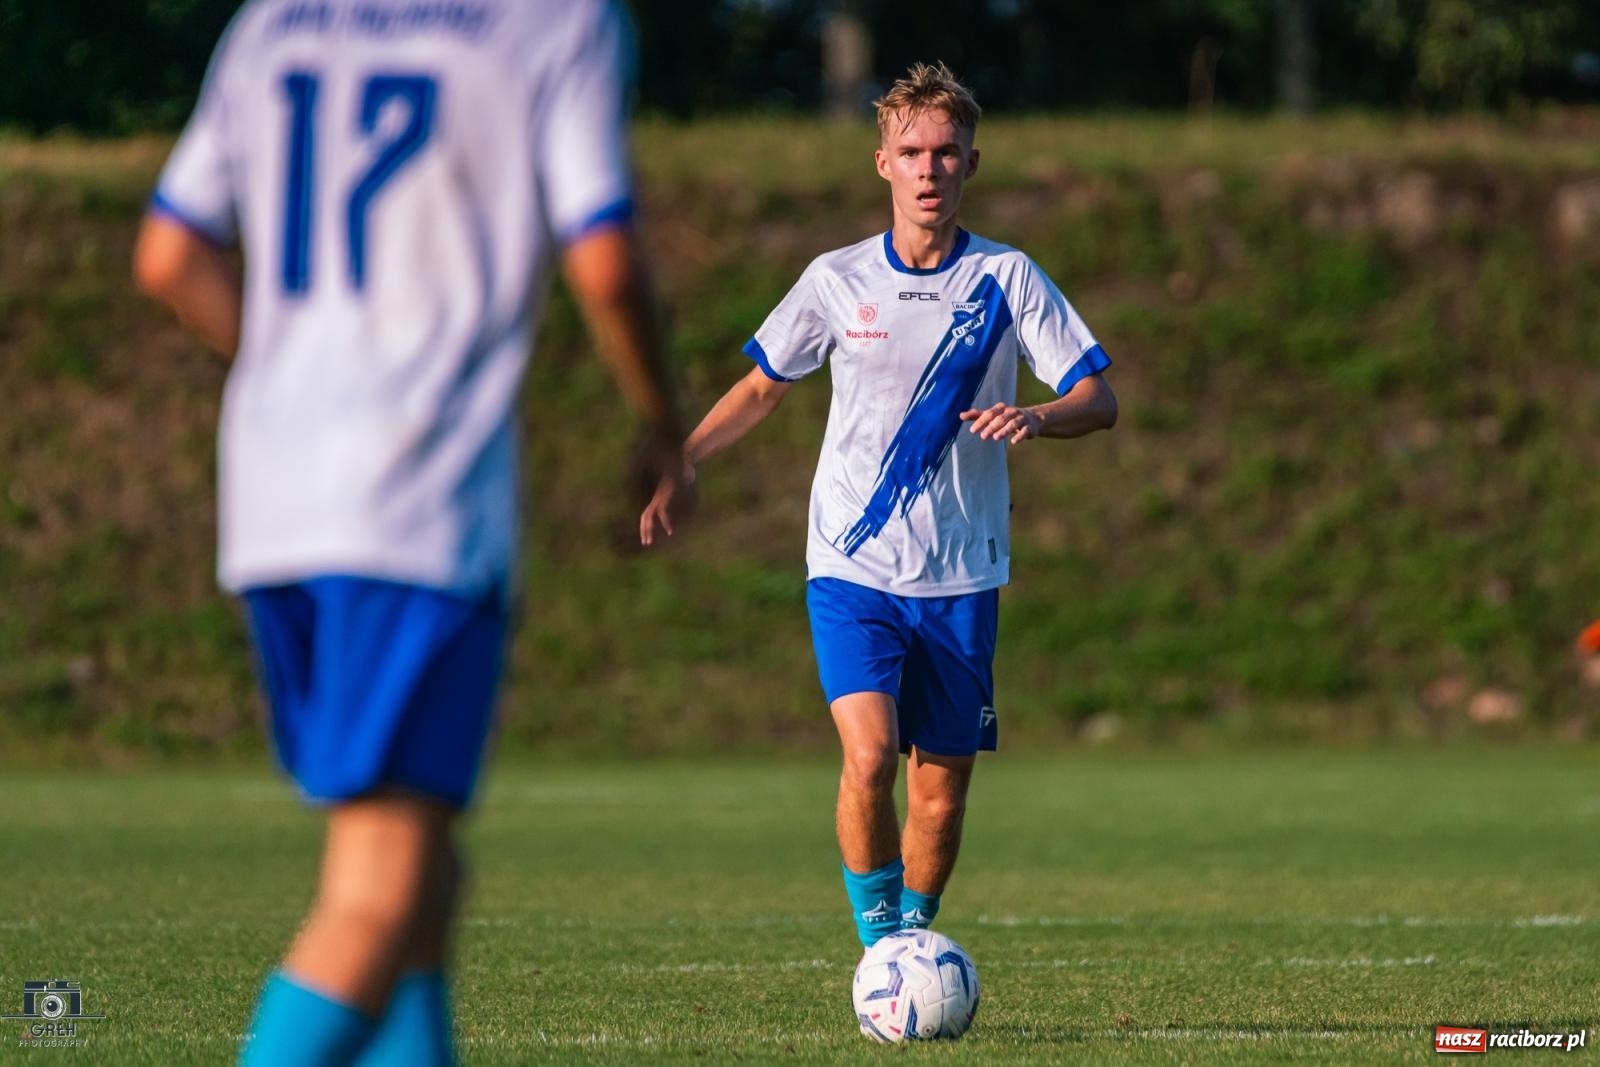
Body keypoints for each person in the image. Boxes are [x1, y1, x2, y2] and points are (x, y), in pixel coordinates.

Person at [134, 2, 689, 1063]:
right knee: (380, 885)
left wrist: (300, 376)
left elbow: (167, 253)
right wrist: (661, 429)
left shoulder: (275, 24)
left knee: (423, 876)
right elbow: (605, 259)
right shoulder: (553, 23)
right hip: (415, 491)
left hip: (271, 497)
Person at [641, 61, 1117, 952]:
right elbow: (760, 388)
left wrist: (1041, 414)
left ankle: (912, 939)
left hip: (963, 571)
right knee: (868, 756)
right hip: (852, 566)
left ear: (972, 163)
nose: (930, 169)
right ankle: (884, 955)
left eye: (946, 152)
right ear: (882, 165)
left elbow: (1099, 395)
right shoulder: (836, 279)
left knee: (939, 793)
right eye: (912, 152)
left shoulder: (1008, 278)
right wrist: (684, 460)